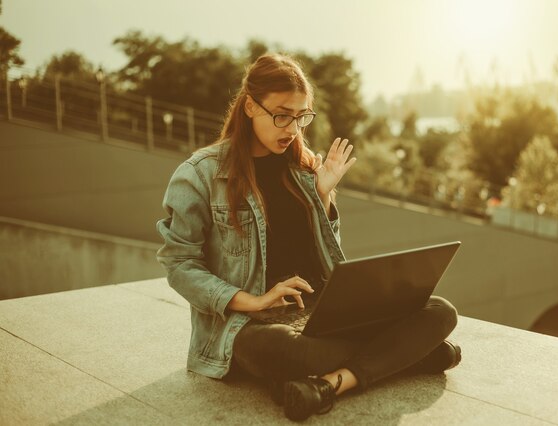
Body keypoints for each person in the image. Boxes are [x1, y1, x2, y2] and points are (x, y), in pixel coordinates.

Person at [156, 53, 461, 421]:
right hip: (253, 325)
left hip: (322, 313)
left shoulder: (304, 168)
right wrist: (255, 301)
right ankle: (404, 355)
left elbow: (326, 255)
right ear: (250, 106)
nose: (292, 129)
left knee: (439, 310)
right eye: (282, 115)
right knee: (292, 352)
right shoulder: (198, 175)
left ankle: (329, 383)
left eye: (301, 117)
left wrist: (323, 196)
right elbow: (179, 265)